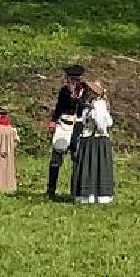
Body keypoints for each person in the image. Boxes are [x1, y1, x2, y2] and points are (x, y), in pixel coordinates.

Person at [69, 81, 116, 204]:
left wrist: (95, 116)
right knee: (87, 166)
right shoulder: (88, 104)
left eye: (91, 90)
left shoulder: (99, 105)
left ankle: (98, 195)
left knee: (97, 166)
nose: (88, 91)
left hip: (97, 140)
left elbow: (103, 124)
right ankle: (85, 196)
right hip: (87, 139)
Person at [46, 64, 87, 199]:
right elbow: (59, 107)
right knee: (56, 158)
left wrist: (76, 97)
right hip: (63, 124)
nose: (72, 82)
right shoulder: (64, 91)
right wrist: (53, 119)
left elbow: (83, 108)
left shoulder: (85, 91)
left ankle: (76, 190)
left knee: (77, 158)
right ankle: (51, 190)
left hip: (78, 126)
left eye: (75, 80)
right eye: (70, 79)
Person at [0, 107, 20, 193]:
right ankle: (9, 186)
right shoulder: (12, 129)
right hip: (9, 153)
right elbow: (16, 140)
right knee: (8, 169)